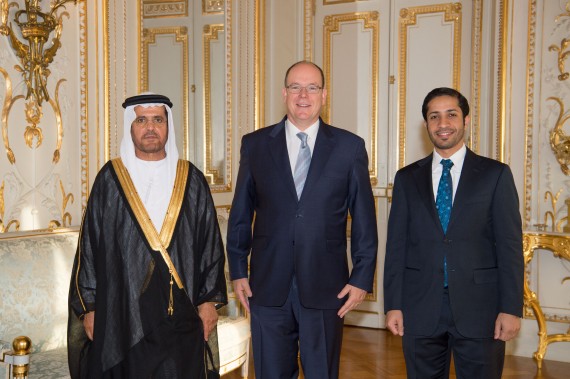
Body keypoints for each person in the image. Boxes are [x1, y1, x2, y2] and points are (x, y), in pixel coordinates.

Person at [226, 60, 378, 379]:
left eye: (312, 87)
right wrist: (238, 270)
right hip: (266, 288)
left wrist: (362, 278)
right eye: (295, 87)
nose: (303, 95)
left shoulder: (349, 148)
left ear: (324, 95)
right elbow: (240, 214)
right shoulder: (254, 145)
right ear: (284, 93)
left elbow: (364, 218)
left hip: (327, 287)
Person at [67, 93, 227, 378]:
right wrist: (89, 308)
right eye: (141, 120)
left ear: (168, 125)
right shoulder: (110, 178)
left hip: (179, 308)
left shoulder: (190, 179)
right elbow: (90, 246)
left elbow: (210, 246)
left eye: (157, 120)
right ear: (131, 126)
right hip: (123, 310)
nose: (150, 127)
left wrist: (208, 302)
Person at [383, 87, 524, 378]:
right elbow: (396, 247)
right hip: (420, 308)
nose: (442, 124)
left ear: (466, 120)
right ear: (426, 125)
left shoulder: (495, 175)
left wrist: (511, 309)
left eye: (451, 115)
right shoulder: (407, 178)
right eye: (434, 117)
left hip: (481, 310)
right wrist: (393, 305)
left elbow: (509, 246)